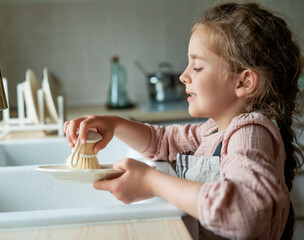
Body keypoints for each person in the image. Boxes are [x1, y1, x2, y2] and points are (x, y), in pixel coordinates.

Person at [64, 2, 303, 239]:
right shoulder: (215, 130)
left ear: (244, 82)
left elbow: (241, 213)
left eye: (197, 67)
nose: (183, 75)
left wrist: (151, 182)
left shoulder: (250, 133)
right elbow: (162, 141)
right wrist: (114, 124)